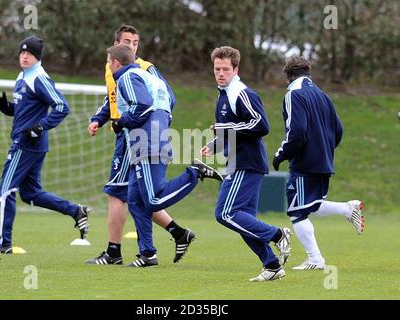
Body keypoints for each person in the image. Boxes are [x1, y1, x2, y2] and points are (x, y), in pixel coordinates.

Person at [85, 25, 194, 265]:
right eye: (126, 42)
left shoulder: (143, 68)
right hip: (127, 129)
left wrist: (157, 124)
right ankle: (175, 235)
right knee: (137, 195)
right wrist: (98, 119)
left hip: (135, 133)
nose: (131, 46)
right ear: (116, 44)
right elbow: (113, 99)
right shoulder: (113, 68)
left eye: (135, 42)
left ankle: (115, 252)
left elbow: (164, 97)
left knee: (118, 192)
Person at [107, 44, 223, 267]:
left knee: (153, 200)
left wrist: (122, 121)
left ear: (115, 63)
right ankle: (147, 254)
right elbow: (170, 101)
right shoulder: (150, 77)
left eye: (108, 62)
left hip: (147, 143)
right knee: (135, 202)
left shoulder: (127, 77)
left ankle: (194, 173)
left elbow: (143, 106)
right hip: (151, 140)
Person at [0, 36, 90, 254]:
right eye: (22, 53)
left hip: (26, 144)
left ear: (37, 57)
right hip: (32, 145)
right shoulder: (23, 76)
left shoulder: (39, 78)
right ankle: (76, 211)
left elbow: (61, 106)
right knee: (31, 194)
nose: (24, 56)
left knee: (5, 190)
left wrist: (40, 127)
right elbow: (25, 109)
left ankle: (4, 243)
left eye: (29, 53)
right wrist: (6, 107)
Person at [200, 46, 292, 282]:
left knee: (226, 213)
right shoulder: (223, 94)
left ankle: (278, 234)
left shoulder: (241, 93)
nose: (220, 73)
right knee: (243, 221)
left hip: (246, 163)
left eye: (225, 69)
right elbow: (232, 129)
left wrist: (224, 129)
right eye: (217, 69)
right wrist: (215, 144)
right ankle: (271, 265)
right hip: (237, 162)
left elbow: (261, 125)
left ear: (236, 69)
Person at [272, 55, 364, 270]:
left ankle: (315, 259)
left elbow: (296, 132)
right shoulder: (324, 96)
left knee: (297, 212)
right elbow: (338, 130)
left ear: (288, 76)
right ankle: (347, 209)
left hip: (304, 164)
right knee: (309, 205)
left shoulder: (293, 94)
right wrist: (324, 150)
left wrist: (280, 155)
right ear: (308, 72)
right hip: (323, 162)